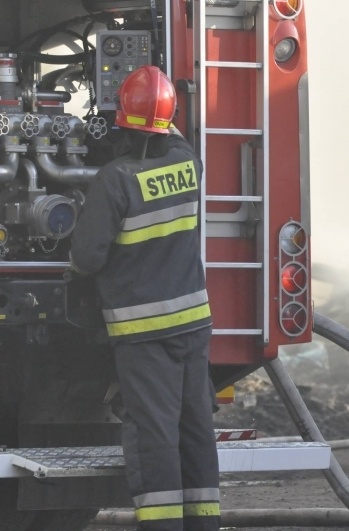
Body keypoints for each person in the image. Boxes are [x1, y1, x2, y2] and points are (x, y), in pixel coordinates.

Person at [69, 65, 220, 531]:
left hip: (143, 334)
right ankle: (203, 522)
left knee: (153, 432)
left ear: (122, 124)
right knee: (195, 428)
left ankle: (161, 525)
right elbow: (170, 139)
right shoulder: (189, 163)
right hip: (193, 325)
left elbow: (87, 258)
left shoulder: (115, 180)